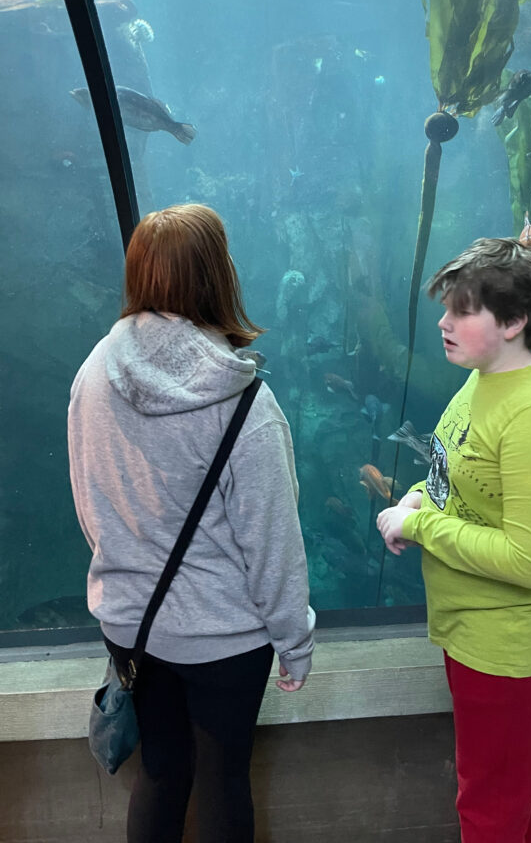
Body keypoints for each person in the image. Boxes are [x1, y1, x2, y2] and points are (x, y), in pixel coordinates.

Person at [68, 203, 314, 843]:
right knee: (223, 780)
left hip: (131, 626)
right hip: (223, 638)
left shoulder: (92, 374)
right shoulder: (245, 401)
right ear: (218, 275)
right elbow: (273, 543)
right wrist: (295, 639)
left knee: (160, 772)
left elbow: (88, 499)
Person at [377, 236, 531, 843]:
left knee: (491, 802)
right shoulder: (482, 378)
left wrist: (419, 525)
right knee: (515, 785)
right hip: (475, 632)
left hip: (509, 647)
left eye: (462, 310)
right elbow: (465, 476)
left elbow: (529, 561)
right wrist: (421, 494)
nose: (443, 323)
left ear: (515, 321)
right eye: (446, 307)